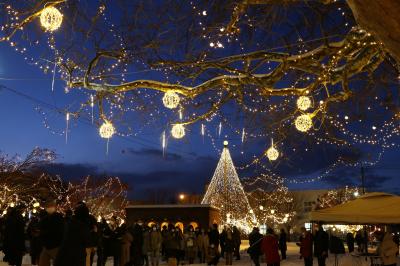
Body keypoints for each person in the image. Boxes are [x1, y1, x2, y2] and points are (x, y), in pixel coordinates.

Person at [54, 202, 91, 266]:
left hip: (63, 255)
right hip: (77, 257)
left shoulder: (68, 223)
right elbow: (87, 243)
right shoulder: (83, 226)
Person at [39, 200, 65, 266]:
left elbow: (60, 231)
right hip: (47, 245)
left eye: (51, 206)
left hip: (56, 245)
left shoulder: (58, 217)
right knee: (43, 262)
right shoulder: (45, 218)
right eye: (48, 206)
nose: (49, 208)